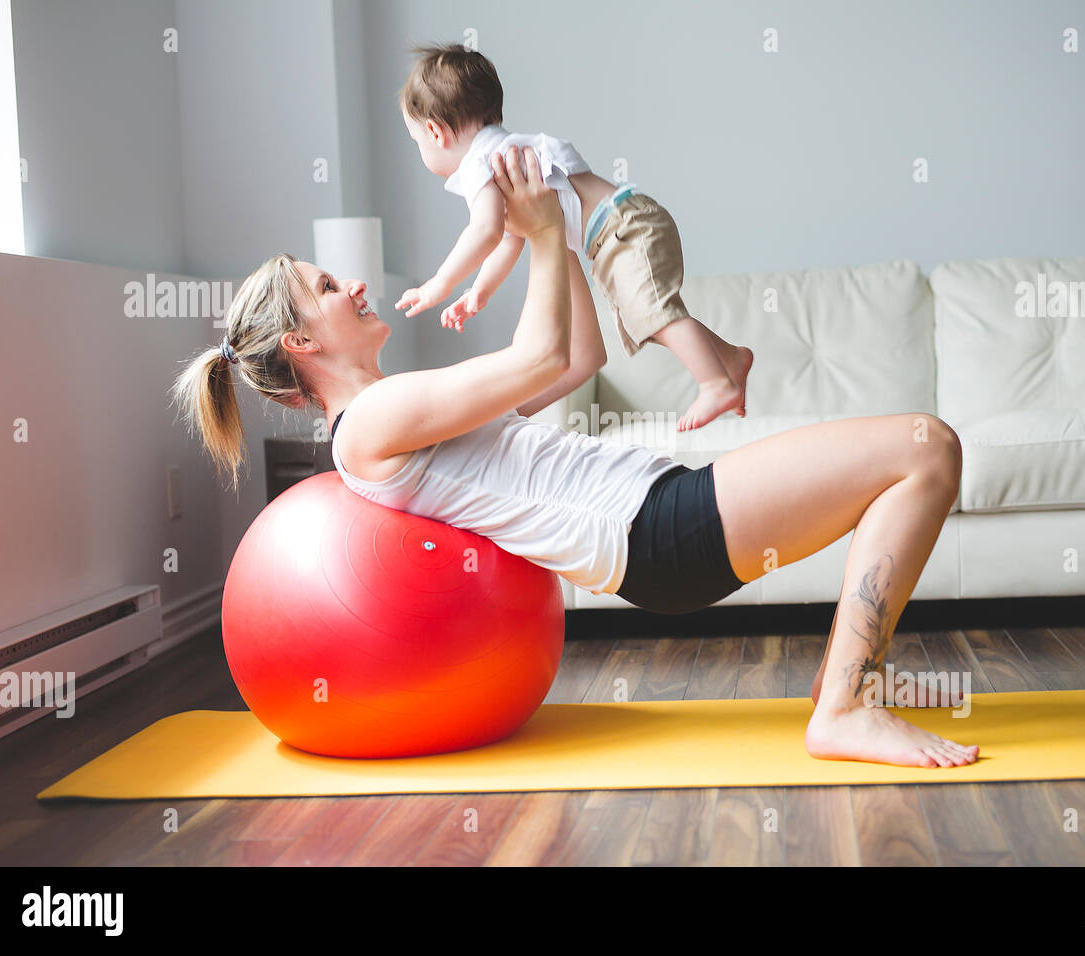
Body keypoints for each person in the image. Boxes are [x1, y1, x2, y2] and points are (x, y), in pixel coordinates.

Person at [170, 145, 975, 769]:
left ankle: (840, 689)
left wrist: (539, 234)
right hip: (656, 530)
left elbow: (573, 356)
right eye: (325, 286)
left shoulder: (394, 412)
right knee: (924, 448)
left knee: (917, 454)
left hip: (661, 514)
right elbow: (534, 357)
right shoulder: (371, 422)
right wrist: (545, 232)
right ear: (301, 341)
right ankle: (843, 705)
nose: (351, 285)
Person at [395, 43, 753, 432]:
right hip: (623, 223)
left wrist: (438, 285)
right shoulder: (507, 151)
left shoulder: (483, 162)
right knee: (645, 316)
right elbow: (511, 237)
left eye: (418, 143)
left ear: (435, 131)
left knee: (651, 314)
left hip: (619, 227)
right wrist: (480, 292)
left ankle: (716, 384)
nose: (422, 151)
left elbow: (485, 230)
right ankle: (729, 358)